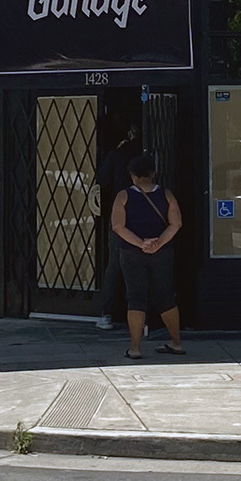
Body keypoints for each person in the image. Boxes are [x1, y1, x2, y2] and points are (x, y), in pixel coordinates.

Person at [110, 153, 183, 359]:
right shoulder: (166, 195)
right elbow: (176, 223)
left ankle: (135, 347)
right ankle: (176, 342)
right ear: (153, 173)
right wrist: (159, 242)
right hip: (162, 252)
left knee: (136, 298)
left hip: (132, 252)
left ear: (132, 175)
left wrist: (141, 243)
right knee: (166, 296)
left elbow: (118, 226)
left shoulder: (123, 196)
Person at [94, 125, 140, 331]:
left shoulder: (117, 155)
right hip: (145, 216)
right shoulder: (146, 155)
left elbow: (101, 180)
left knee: (115, 263)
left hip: (120, 215)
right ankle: (142, 314)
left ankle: (107, 312)